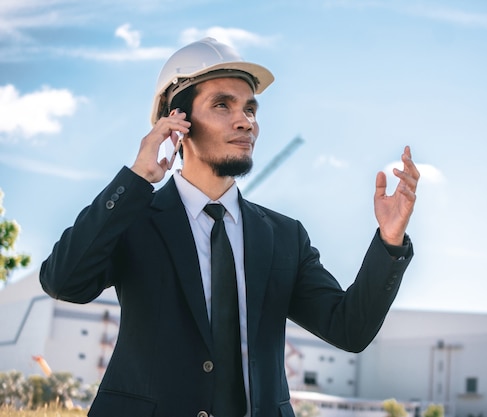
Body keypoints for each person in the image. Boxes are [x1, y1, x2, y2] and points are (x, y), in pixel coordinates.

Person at [40, 37, 420, 417]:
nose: (246, 122)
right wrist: (137, 178)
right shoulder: (131, 218)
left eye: (251, 109)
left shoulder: (285, 237)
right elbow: (64, 282)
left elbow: (349, 330)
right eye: (223, 104)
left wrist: (390, 240)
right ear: (177, 121)